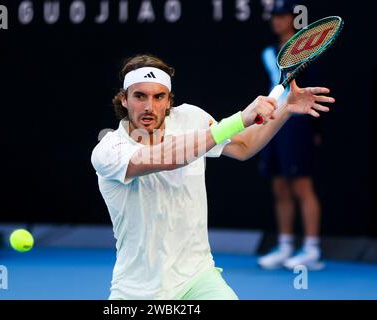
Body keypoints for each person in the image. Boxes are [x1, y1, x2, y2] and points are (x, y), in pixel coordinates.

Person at [91, 54, 334, 299]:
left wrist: (285, 109)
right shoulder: (109, 150)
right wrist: (240, 119)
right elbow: (167, 157)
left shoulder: (191, 118)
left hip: (197, 279)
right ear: (124, 99)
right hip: (137, 290)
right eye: (139, 96)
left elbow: (243, 146)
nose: (148, 107)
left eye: (158, 96)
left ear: (168, 101)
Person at [257, 0, 325, 270]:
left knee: (301, 186)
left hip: (297, 124)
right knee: (279, 186)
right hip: (273, 123)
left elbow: (315, 92)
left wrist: (315, 128)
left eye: (282, 16)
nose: (276, 21)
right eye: (273, 16)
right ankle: (285, 246)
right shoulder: (267, 53)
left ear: (293, 19)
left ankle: (311, 250)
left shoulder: (307, 51)